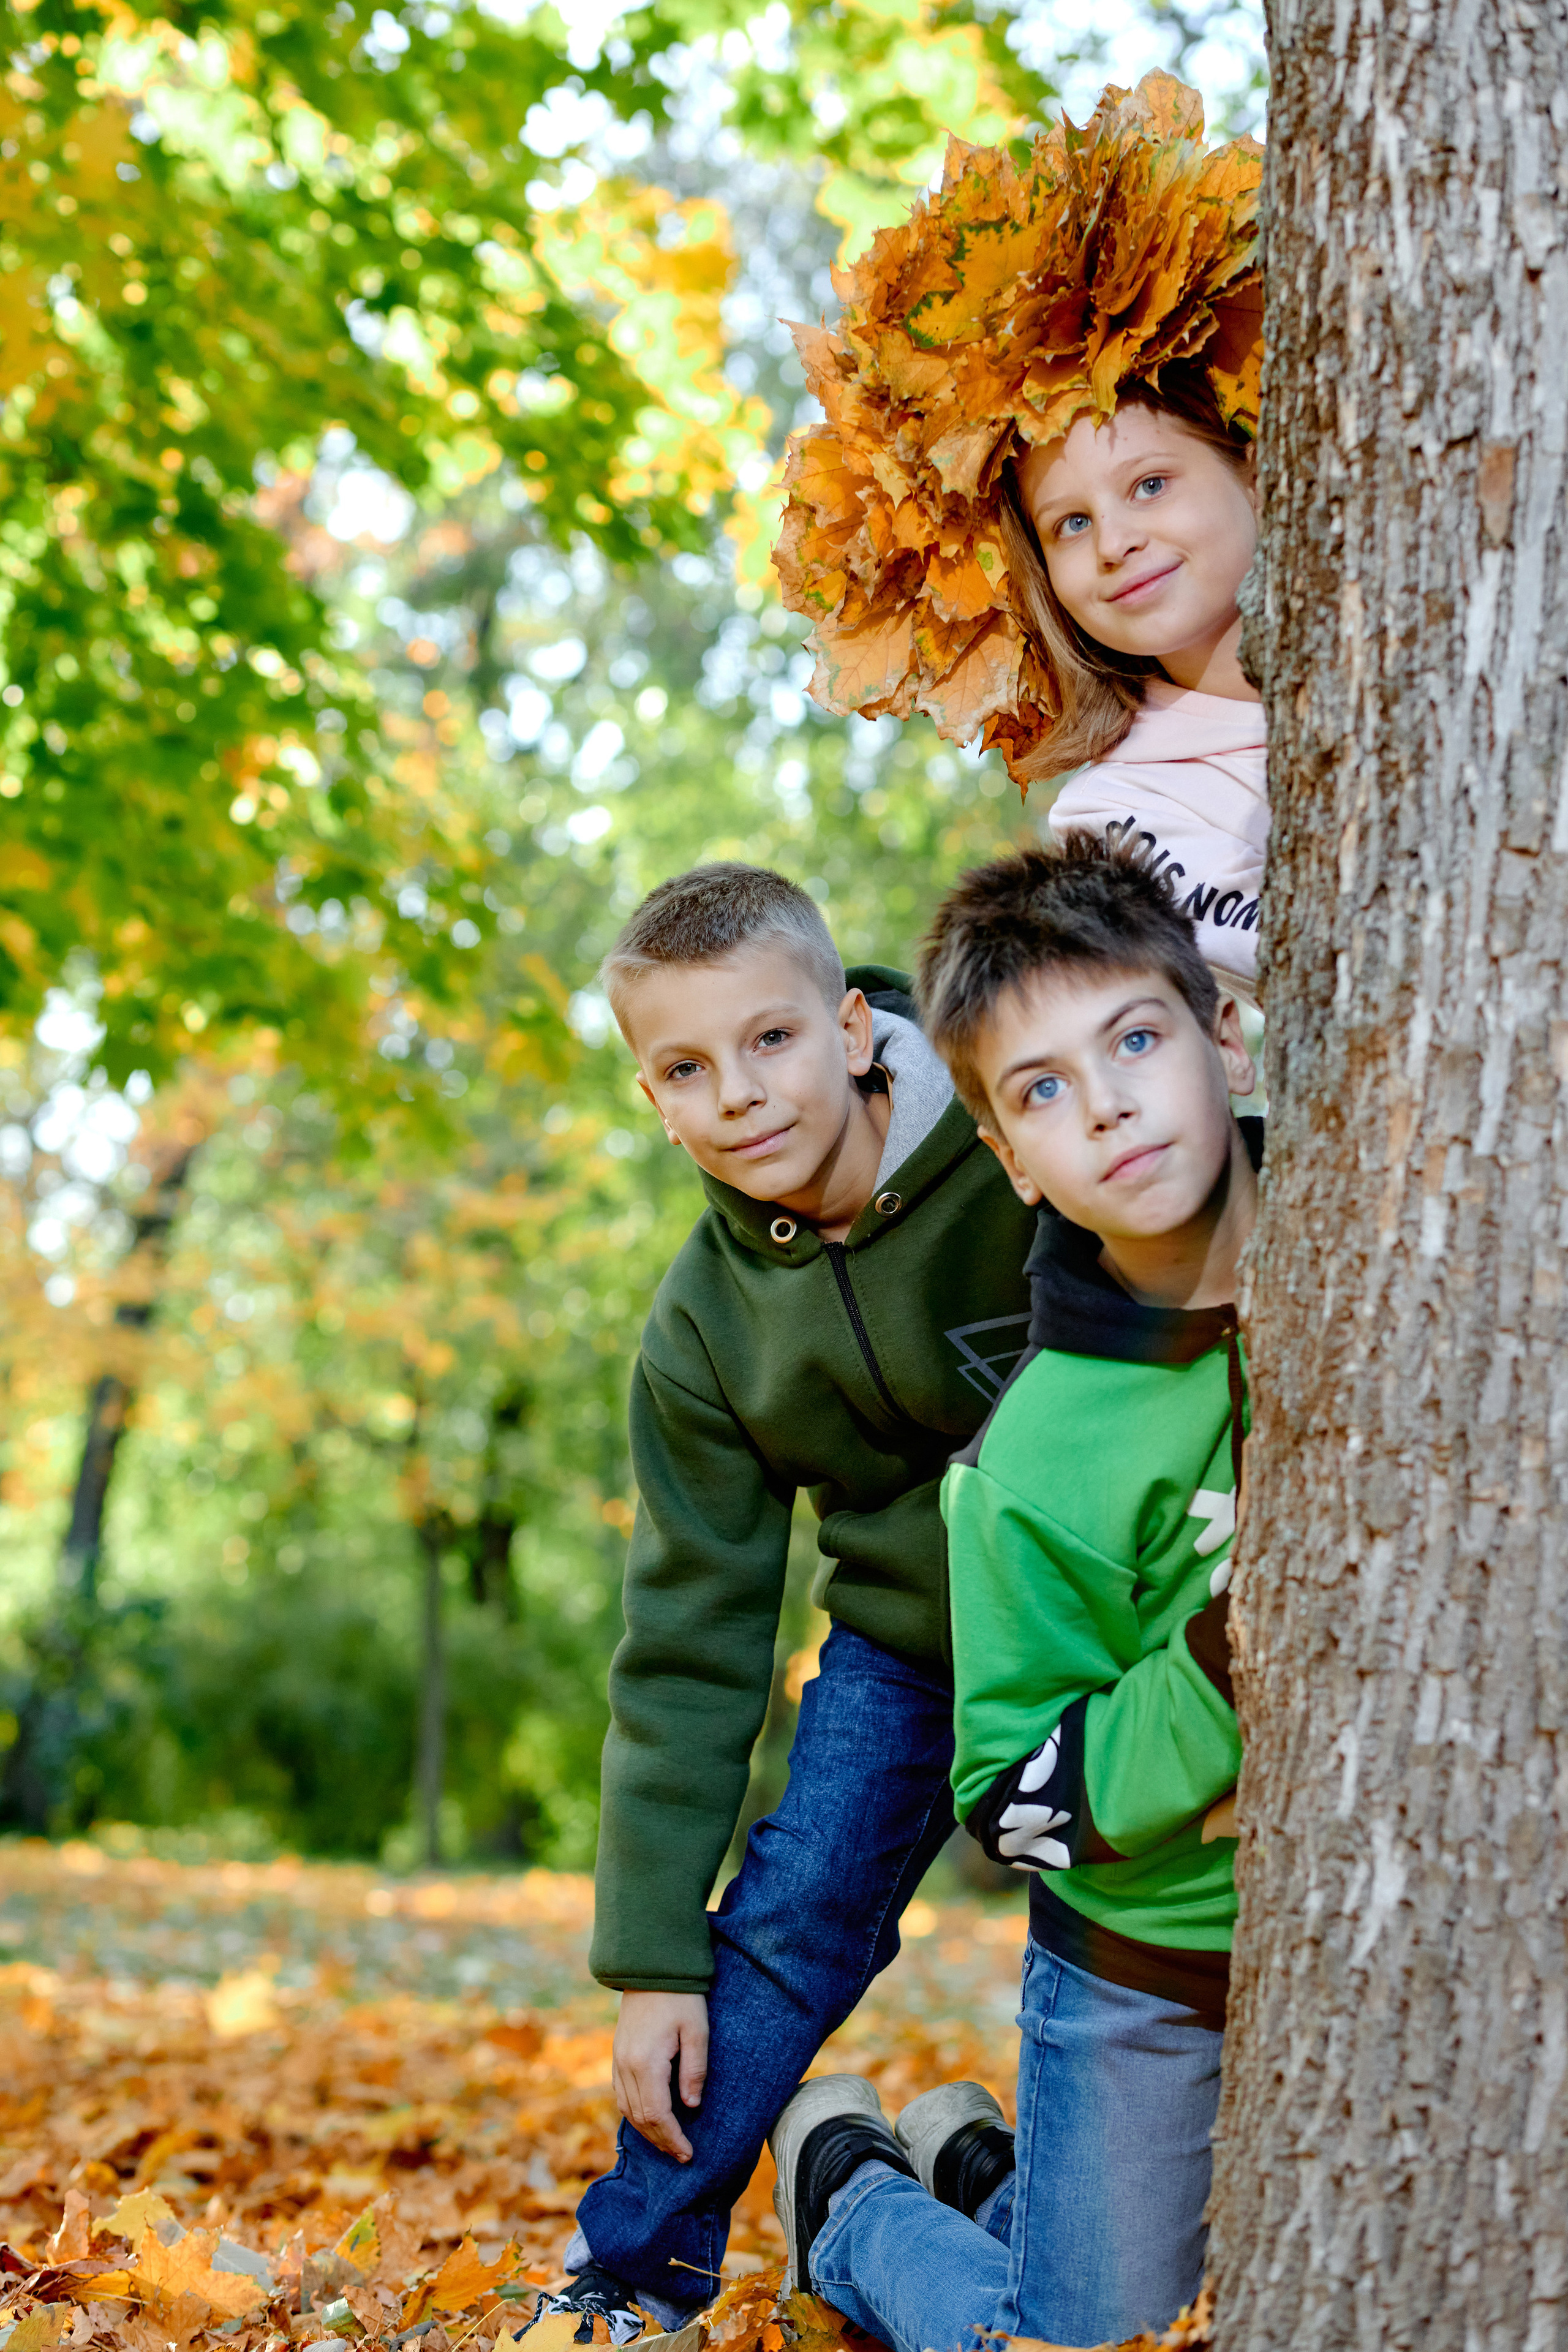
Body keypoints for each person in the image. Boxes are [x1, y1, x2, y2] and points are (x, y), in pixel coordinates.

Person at [526, 862, 1039, 2340]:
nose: (739, 1094)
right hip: (907, 1643)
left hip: (1107, 1621)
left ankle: (980, 2179)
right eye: (687, 1068)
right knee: (791, 1913)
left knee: (1117, 1952)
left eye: (770, 1039)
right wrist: (646, 1959)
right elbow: (687, 1641)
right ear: (653, 1102)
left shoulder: (1019, 1130)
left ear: (852, 1028)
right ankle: (633, 2272)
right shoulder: (700, 1330)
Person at [768, 838, 1259, 2352]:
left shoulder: (1389, 1248)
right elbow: (1009, 1797)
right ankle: (856, 2202)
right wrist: (1224, 1667)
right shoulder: (1027, 1462)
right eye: (1043, 1089)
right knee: (1074, 2347)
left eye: (1134, 1040)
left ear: (1224, 1034)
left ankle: (991, 2177)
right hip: (1143, 1975)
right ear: (1009, 1159)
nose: (1105, 1104)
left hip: (1358, 1929)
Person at [772, 70, 1268, 999]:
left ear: (1251, 469)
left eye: (1150, 484)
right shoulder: (1114, 822)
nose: (1114, 542)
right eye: (1071, 524)